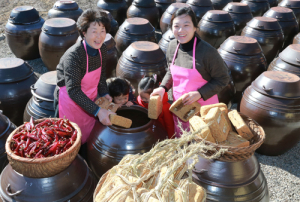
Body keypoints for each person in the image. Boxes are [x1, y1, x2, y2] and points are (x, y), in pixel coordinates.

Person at [151, 7, 230, 137]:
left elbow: (223, 78)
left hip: (204, 110)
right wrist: (162, 88)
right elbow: (171, 71)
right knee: (183, 141)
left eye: (186, 25)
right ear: (171, 28)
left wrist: (199, 93)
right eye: (176, 26)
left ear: (195, 27)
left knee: (203, 146)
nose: (181, 30)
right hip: (180, 109)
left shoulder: (207, 52)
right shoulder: (171, 46)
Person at [54, 9, 114, 145]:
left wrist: (104, 92)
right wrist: (98, 111)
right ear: (84, 32)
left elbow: (102, 73)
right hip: (71, 102)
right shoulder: (74, 56)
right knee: (71, 141)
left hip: (90, 99)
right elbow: (74, 90)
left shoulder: (102, 49)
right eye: (94, 31)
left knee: (88, 137)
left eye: (102, 30)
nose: (99, 36)